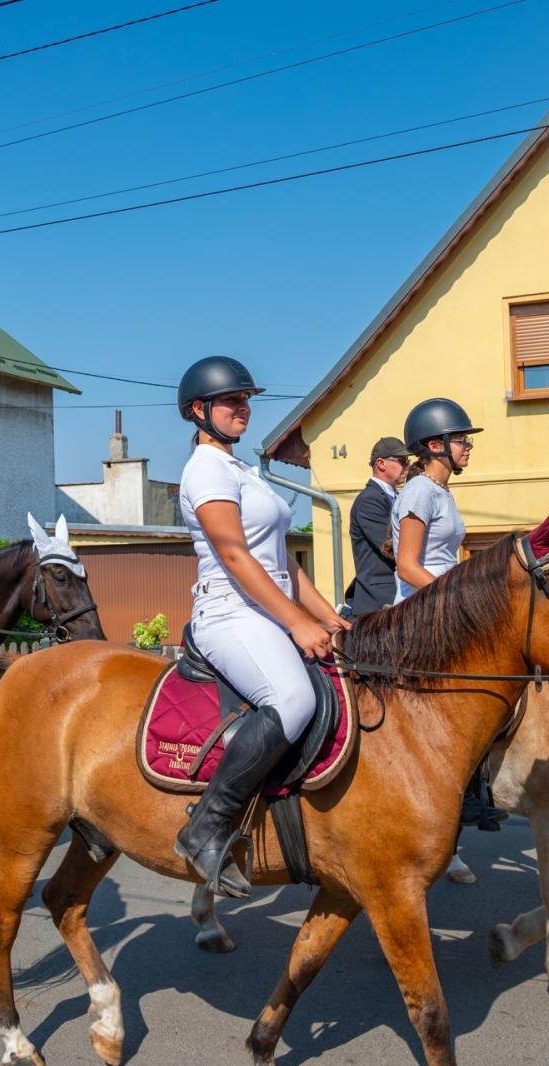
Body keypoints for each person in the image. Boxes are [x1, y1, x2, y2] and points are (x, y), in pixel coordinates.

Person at [174, 355, 350, 898]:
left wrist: (328, 617)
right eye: (232, 400)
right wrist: (297, 623)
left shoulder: (243, 471)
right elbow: (235, 556)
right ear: (198, 410)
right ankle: (207, 826)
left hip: (265, 607)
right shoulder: (205, 469)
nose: (243, 408)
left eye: (247, 400)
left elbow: (283, 563)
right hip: (230, 611)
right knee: (293, 700)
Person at [390, 397, 506, 883]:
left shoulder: (441, 491)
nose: (468, 447)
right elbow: (407, 566)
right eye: (461, 440)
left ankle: (465, 814)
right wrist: (460, 599)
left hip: (445, 609)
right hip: (424, 614)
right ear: (434, 445)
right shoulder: (419, 491)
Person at [346, 436, 407, 617]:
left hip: (396, 595)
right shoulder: (370, 500)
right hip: (378, 601)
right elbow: (391, 546)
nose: (407, 466)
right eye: (402, 461)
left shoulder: (397, 497)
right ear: (381, 464)